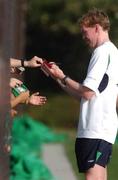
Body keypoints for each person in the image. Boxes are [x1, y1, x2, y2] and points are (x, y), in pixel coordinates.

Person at [38, 8, 118, 180]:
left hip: (96, 128)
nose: (84, 37)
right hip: (101, 129)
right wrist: (57, 78)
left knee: (93, 177)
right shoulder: (111, 52)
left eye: (85, 32)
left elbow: (87, 93)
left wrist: (63, 76)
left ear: (96, 28)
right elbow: (83, 96)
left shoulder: (102, 52)